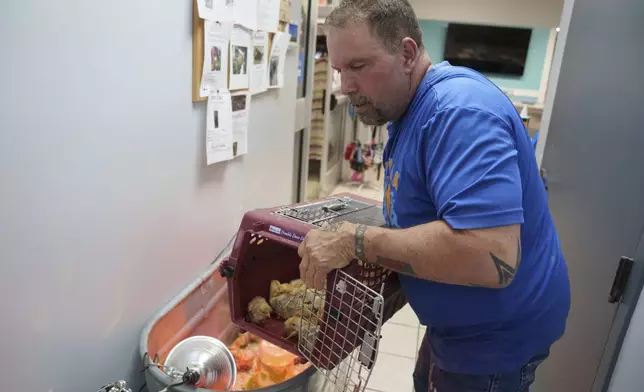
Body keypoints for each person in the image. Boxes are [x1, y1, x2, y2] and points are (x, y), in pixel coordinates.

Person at [296, 0, 571, 391]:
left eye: (358, 66)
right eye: (340, 70)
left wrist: (353, 241)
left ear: (407, 53)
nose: (344, 86)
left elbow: (491, 257)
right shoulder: (408, 111)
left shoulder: (458, 112)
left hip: (494, 342)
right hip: (455, 326)